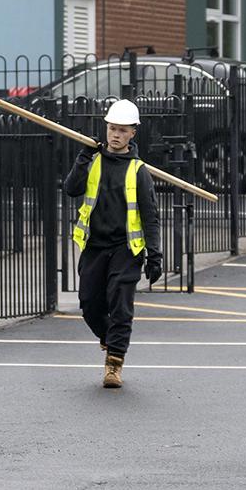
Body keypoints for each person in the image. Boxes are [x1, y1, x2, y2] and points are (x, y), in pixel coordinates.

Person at [63, 99, 162, 389]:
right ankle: (110, 338)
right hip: (94, 246)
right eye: (111, 128)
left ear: (133, 133)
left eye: (121, 130)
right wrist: (82, 156)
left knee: (120, 305)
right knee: (90, 305)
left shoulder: (139, 171)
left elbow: (150, 216)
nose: (115, 135)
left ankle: (114, 364)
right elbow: (71, 190)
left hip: (126, 249)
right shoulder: (92, 160)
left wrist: (154, 255)